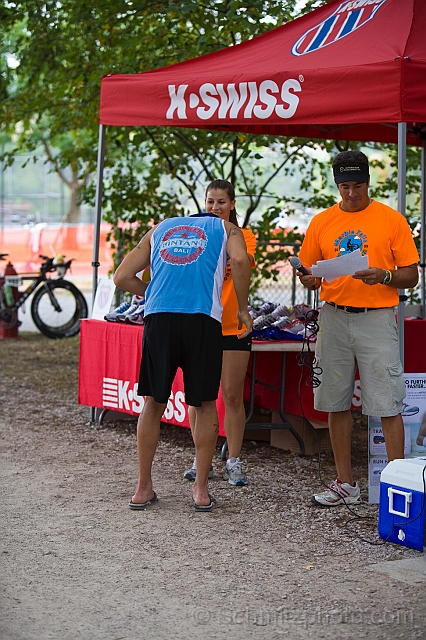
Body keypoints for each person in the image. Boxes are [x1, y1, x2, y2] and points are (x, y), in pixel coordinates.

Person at [297, 150, 419, 506]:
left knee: (388, 403)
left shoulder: (391, 219)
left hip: (378, 317)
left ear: (369, 183)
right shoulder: (321, 222)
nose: (352, 193)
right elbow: (311, 271)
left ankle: (398, 488)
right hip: (334, 316)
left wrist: (385, 275)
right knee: (335, 402)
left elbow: (411, 275)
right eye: (345, 186)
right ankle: (345, 484)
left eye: (359, 185)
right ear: (337, 186)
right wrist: (309, 280)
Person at [113, 212, 253, 512]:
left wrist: (151, 292)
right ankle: (201, 491)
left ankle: (143, 488)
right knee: (203, 403)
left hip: (159, 319)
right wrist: (242, 308)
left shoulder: (161, 228)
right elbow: (241, 261)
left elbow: (121, 276)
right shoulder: (227, 229)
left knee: (152, 402)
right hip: (202, 320)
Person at [183, 180, 257, 486]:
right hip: (200, 322)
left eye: (221, 202)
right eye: (210, 202)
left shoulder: (243, 235)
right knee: (198, 398)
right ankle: (203, 461)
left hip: (233, 326)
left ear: (233, 204)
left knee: (231, 396)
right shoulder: (192, 233)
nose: (215, 208)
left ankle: (234, 460)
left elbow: (245, 263)